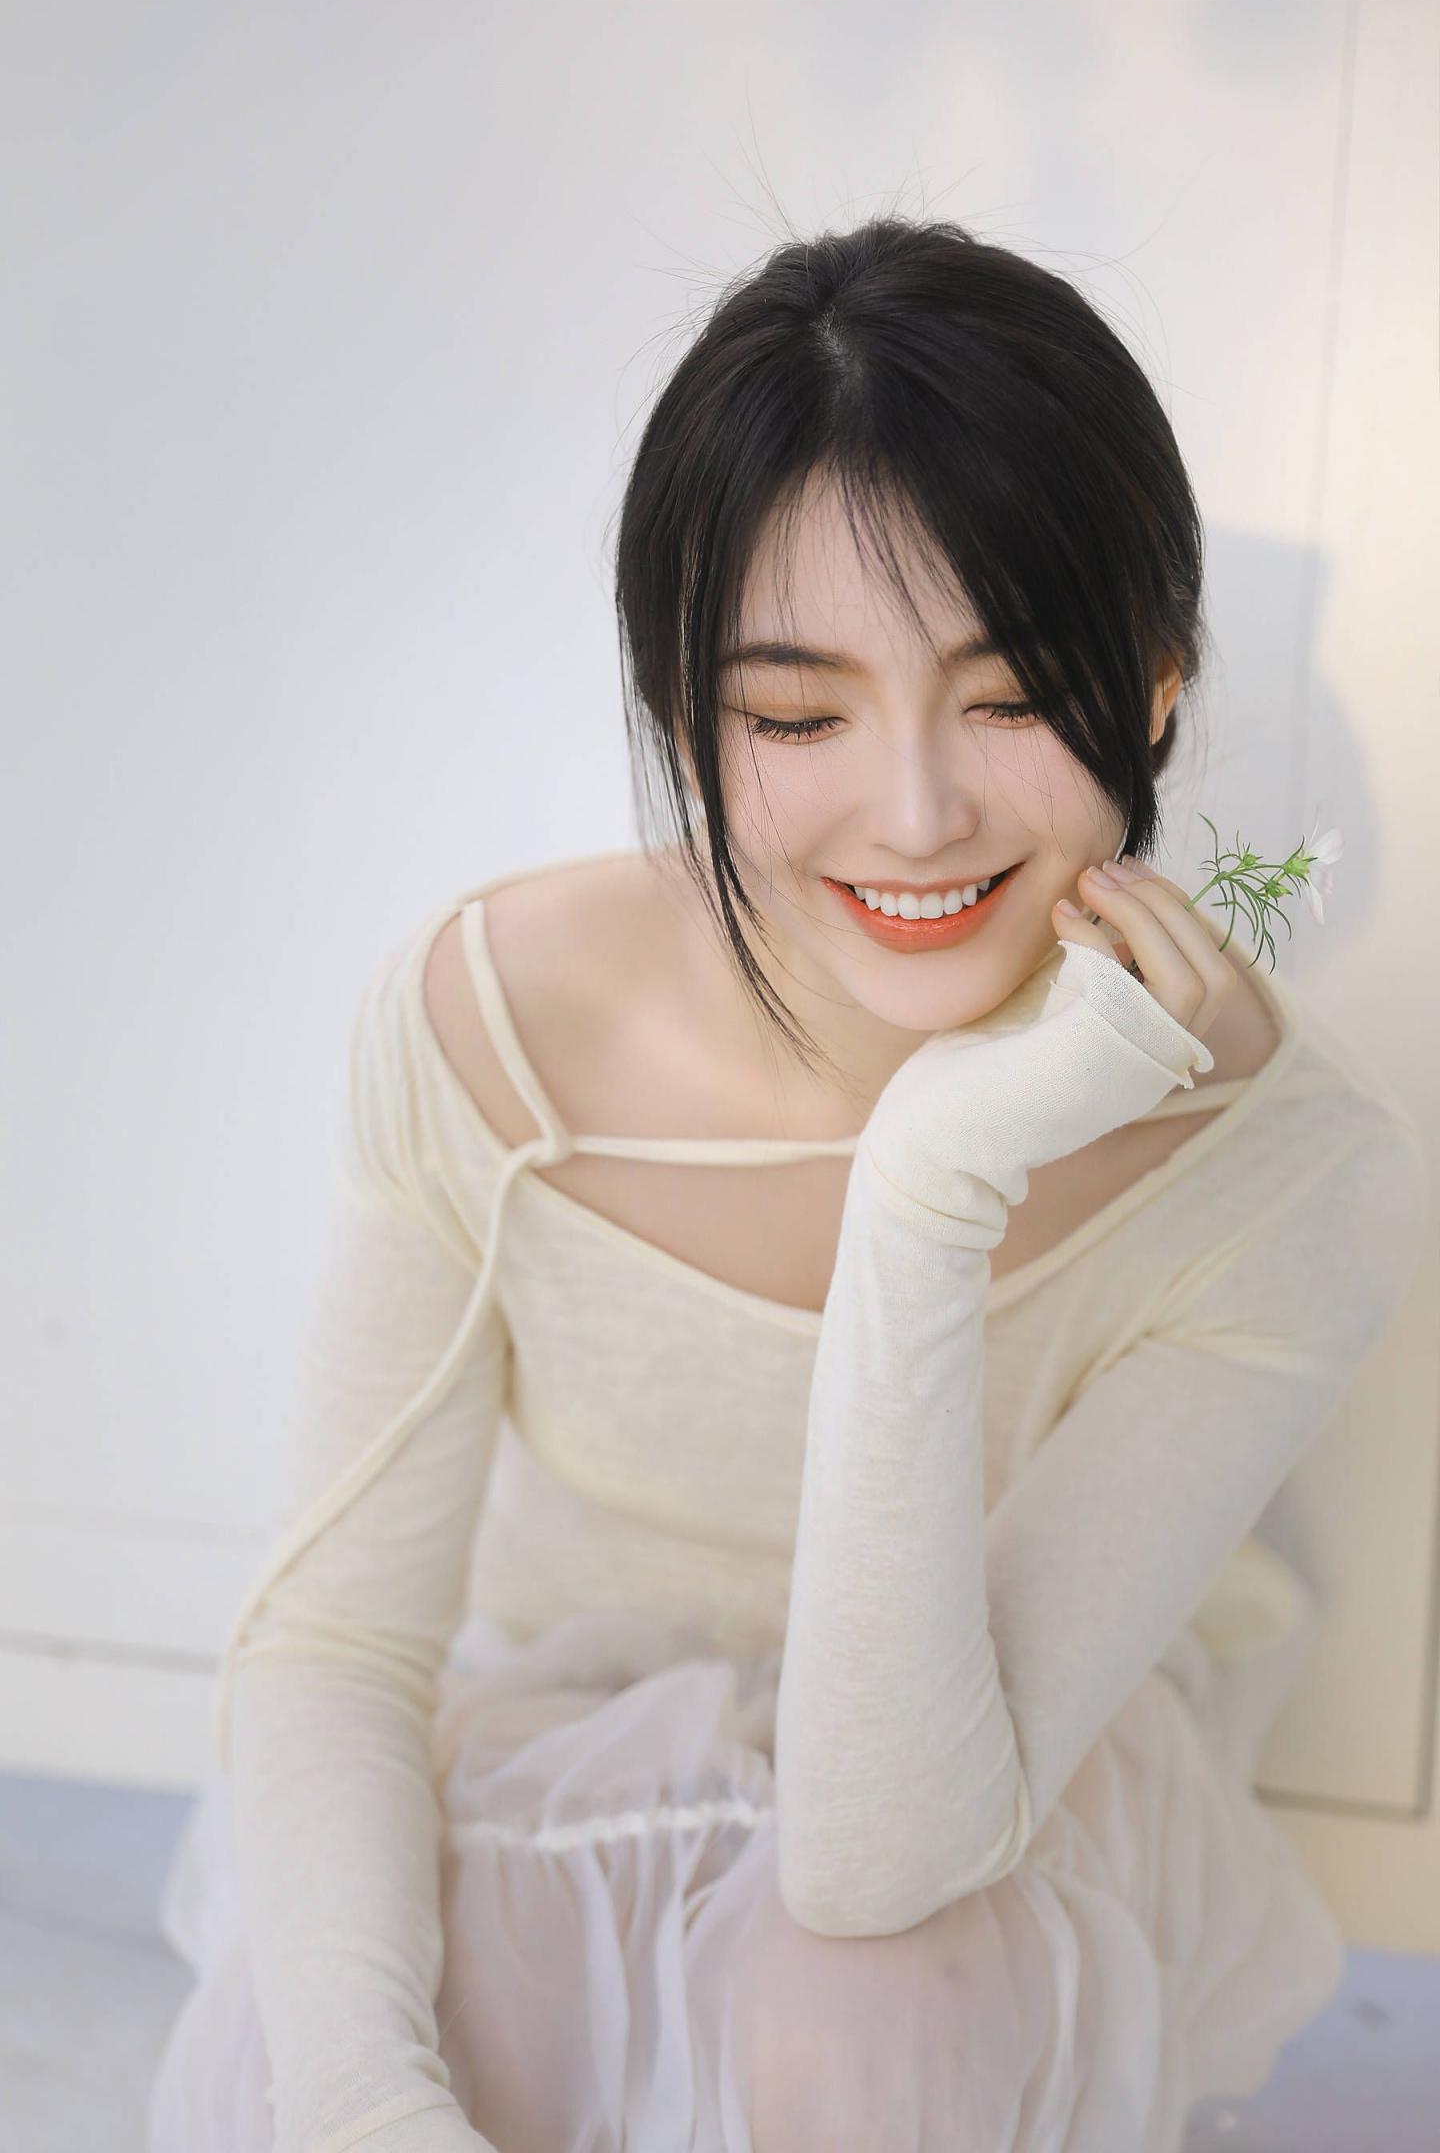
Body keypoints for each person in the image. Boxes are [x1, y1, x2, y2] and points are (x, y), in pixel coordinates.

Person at [147, 217, 1427, 2153]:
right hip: (562, 1743)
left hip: (972, 1806)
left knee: (869, 2001)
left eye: (1013, 694)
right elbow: (335, 1649)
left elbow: (879, 1851)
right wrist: (367, 2109)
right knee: (405, 2009)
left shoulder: (1286, 1167)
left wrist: (928, 1185)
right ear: (687, 718)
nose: (915, 816)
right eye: (800, 714)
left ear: (1158, 685)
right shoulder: (498, 1028)